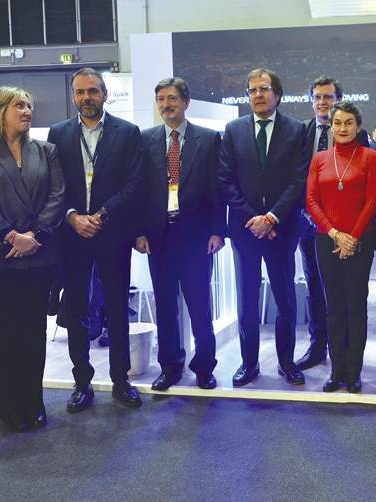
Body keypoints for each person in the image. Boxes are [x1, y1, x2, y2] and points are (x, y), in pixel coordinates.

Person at [0, 87, 65, 431]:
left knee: (33, 331)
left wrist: (33, 236)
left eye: (29, 105)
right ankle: (9, 407)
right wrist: (11, 236)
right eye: (19, 105)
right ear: (0, 110)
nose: (27, 110)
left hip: (38, 255)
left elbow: (57, 196)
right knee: (5, 332)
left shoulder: (46, 151)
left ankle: (32, 403)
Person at [48, 67, 146, 412]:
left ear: (105, 94)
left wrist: (101, 215)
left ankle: (121, 380)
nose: (86, 98)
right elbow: (52, 186)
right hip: (72, 235)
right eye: (80, 92)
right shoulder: (58, 134)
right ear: (73, 96)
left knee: (117, 308)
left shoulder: (127, 132)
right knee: (76, 310)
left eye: (92, 91)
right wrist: (73, 216)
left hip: (112, 232)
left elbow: (135, 183)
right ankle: (82, 383)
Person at [218, 68, 309, 387]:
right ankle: (249, 363)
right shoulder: (233, 130)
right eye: (252, 90)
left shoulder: (297, 130)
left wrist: (271, 217)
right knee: (246, 297)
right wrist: (254, 218)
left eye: (264, 89)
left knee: (285, 298)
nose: (258, 94)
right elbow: (226, 181)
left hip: (281, 229)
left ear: (278, 94)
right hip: (245, 230)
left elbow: (299, 180)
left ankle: (287, 362)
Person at [137, 77, 226, 391]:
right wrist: (139, 233)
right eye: (161, 99)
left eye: (172, 98)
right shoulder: (145, 140)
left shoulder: (208, 139)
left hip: (197, 238)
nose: (166, 105)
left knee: (200, 306)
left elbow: (218, 188)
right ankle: (170, 366)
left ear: (185, 102)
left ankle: (204, 367)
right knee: (165, 305)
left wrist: (218, 230)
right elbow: (140, 191)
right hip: (159, 237)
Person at [306, 100, 376, 393]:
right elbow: (311, 201)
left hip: (359, 242)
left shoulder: (370, 157)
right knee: (333, 307)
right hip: (327, 240)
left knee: (356, 307)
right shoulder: (319, 159)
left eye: (349, 123)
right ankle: (336, 371)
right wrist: (336, 234)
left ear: (358, 126)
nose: (343, 128)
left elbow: (372, 201)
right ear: (331, 126)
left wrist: (352, 237)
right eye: (338, 123)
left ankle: (354, 372)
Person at [295, 75, 369, 371]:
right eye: (318, 97)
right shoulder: (301, 133)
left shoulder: (357, 136)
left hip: (347, 231)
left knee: (348, 294)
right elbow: (297, 180)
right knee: (315, 286)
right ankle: (318, 346)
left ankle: (349, 356)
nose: (323, 103)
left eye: (329, 97)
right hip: (309, 224)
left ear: (339, 100)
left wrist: (343, 232)